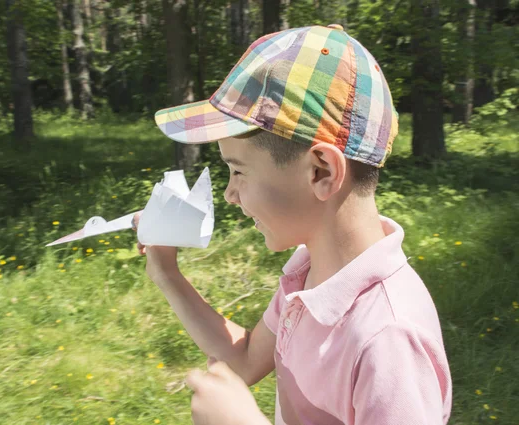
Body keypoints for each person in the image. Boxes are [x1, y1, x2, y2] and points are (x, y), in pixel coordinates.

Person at [131, 23, 453, 425]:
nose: (230, 194)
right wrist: (166, 271)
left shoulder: (389, 337)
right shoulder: (309, 275)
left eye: (238, 172)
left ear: (320, 171)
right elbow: (246, 360)